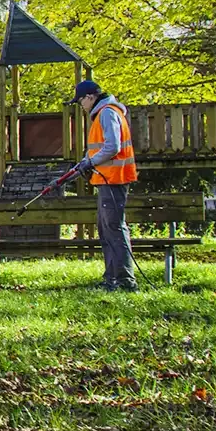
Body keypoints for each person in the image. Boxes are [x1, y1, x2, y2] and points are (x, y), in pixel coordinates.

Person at [70, 80, 138, 291]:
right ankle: (111, 279)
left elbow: (112, 146)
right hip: (106, 180)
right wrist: (84, 162)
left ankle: (125, 281)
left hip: (114, 179)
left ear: (90, 97)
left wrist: (90, 162)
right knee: (106, 230)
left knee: (115, 230)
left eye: (81, 100)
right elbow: (99, 148)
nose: (81, 105)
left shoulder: (107, 113)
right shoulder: (102, 115)